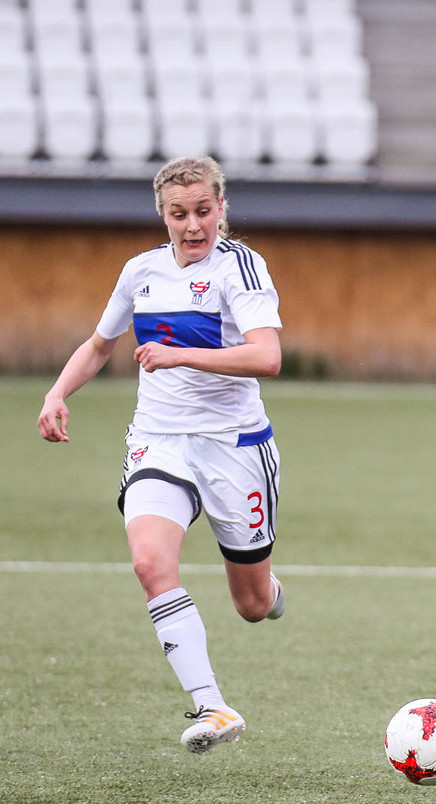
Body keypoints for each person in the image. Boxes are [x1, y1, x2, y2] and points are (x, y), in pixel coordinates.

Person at [38, 155, 285, 755]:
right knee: (149, 562)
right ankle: (213, 705)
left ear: (221, 208)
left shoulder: (241, 267)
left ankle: (269, 590)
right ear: (163, 215)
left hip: (234, 446)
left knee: (252, 605)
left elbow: (267, 357)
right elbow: (100, 345)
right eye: (179, 214)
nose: (193, 225)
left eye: (203, 211)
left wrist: (180, 355)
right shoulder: (141, 271)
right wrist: (56, 393)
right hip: (159, 440)